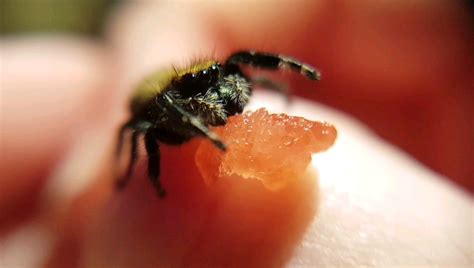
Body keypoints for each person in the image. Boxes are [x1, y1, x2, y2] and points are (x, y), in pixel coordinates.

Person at [1, 1, 471, 267]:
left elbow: (236, 66)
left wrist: (282, 72)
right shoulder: (168, 104)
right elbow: (137, 127)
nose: (229, 92)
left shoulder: (217, 76)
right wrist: (145, 172)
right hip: (163, 109)